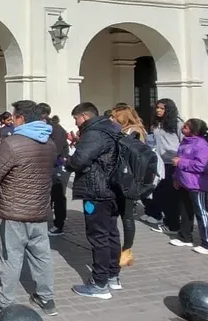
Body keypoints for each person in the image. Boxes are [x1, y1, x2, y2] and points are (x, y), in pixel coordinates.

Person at [0, 100, 58, 317]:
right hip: (39, 209)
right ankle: (46, 297)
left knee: (10, 256)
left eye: (14, 117)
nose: (12, 120)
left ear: (21, 118)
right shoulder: (49, 142)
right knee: (41, 255)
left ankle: (6, 302)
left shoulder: (12, 143)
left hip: (13, 210)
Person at [67, 102, 122, 299]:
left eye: (76, 118)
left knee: (98, 237)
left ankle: (99, 284)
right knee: (111, 233)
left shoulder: (94, 133)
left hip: (96, 192)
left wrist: (69, 161)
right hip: (114, 190)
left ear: (83, 116)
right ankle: (113, 276)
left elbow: (78, 161)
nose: (76, 123)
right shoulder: (112, 129)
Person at [169, 118, 208, 256]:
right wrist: (176, 178)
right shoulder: (185, 141)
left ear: (194, 130)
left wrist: (181, 162)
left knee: (202, 212)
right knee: (185, 211)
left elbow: (200, 165)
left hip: (197, 184)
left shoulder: (202, 144)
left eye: (186, 127)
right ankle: (185, 237)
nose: (183, 128)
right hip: (184, 182)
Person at [109, 104, 148, 267]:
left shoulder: (134, 132)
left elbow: (127, 152)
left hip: (129, 178)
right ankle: (119, 248)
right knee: (121, 214)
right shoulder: (128, 131)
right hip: (122, 177)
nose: (111, 119)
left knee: (127, 216)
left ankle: (126, 251)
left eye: (114, 117)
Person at [144, 98, 184, 233]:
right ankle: (167, 219)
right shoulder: (156, 124)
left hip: (173, 163)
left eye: (162, 108)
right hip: (160, 163)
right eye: (157, 108)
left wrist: (181, 159)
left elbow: (184, 142)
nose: (158, 110)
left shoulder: (178, 124)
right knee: (159, 193)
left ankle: (173, 224)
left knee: (171, 195)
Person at [40, 103, 70, 238]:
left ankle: (59, 224)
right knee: (49, 195)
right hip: (48, 167)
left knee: (58, 196)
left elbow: (55, 151)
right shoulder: (46, 128)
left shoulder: (56, 130)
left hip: (58, 167)